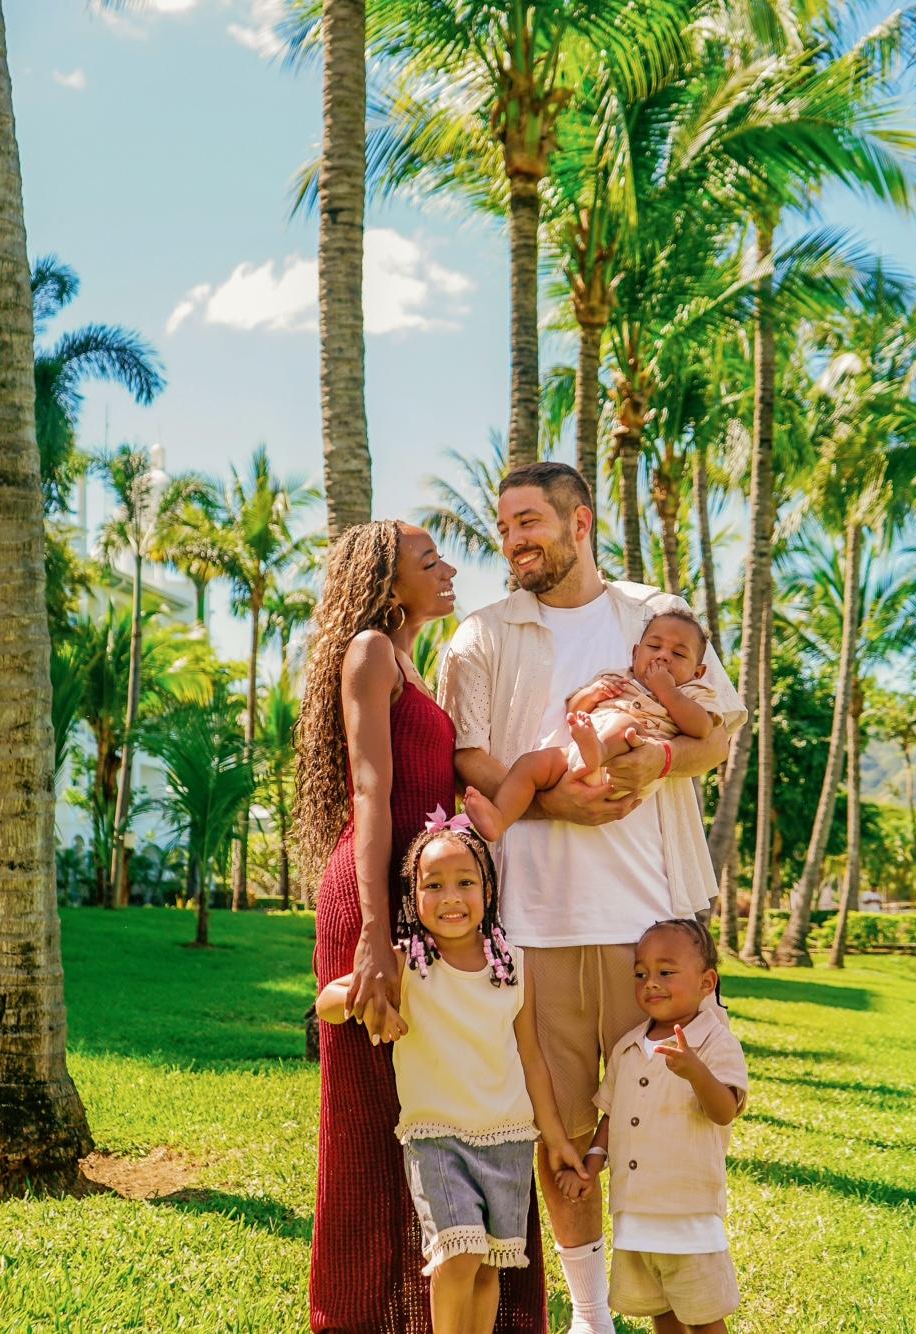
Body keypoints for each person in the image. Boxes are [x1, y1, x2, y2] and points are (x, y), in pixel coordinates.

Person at [439, 462, 747, 1333]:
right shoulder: (481, 635)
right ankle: (590, 1317)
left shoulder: (656, 619)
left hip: (652, 928)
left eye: (530, 521)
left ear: (580, 524)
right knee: (562, 1131)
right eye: (505, 527)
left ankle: (676, 1312)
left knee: (668, 1126)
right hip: (534, 922)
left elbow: (717, 737)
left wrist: (657, 761)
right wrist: (553, 802)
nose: (514, 540)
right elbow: (466, 757)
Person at [296, 520, 546, 1334]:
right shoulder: (370, 650)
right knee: (372, 1127)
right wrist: (374, 934)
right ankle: (362, 1318)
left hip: (423, 904)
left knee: (442, 1105)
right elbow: (372, 792)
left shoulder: (412, 666)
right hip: (376, 903)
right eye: (428, 560)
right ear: (385, 580)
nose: (448, 570)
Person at [318, 819, 588, 1333]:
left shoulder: (513, 966)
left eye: (465, 882)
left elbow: (531, 1057)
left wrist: (554, 1138)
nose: (451, 897)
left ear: (488, 889)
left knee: (487, 1268)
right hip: (437, 1138)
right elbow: (328, 1002)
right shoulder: (409, 965)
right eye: (434, 885)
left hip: (508, 1138)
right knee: (457, 1256)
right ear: (413, 896)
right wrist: (369, 998)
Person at [555, 920, 748, 1334]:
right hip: (635, 1214)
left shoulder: (714, 1042)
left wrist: (696, 1072)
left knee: (704, 1317)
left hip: (688, 1215)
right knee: (661, 1312)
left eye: (666, 971)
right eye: (641, 974)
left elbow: (724, 1111)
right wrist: (591, 1162)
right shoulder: (627, 1047)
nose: (651, 983)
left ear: (707, 982)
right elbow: (613, 1115)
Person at [464, 609, 722, 842]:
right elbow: (574, 710)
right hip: (577, 756)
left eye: (678, 654)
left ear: (697, 673)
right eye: (654, 646)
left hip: (627, 765)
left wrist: (667, 691)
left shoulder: (693, 692)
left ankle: (598, 751)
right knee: (529, 764)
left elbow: (701, 728)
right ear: (635, 654)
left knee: (625, 724)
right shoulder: (616, 677)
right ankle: (500, 818)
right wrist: (592, 693)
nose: (663, 656)